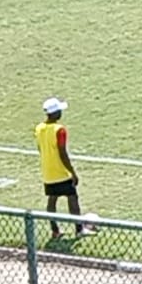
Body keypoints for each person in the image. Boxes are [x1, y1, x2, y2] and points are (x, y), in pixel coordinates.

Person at [36, 98, 95, 239]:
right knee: (72, 198)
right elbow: (62, 152)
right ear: (55, 113)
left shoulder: (39, 128)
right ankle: (79, 229)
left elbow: (40, 148)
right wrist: (72, 171)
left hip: (47, 172)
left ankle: (55, 230)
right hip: (61, 172)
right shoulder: (59, 130)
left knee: (52, 200)